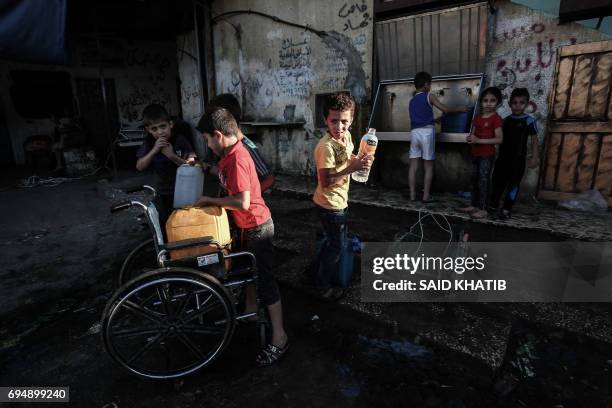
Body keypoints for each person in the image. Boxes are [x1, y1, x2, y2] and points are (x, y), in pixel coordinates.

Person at [196, 106, 288, 366]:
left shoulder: (237, 157)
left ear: (218, 135)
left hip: (258, 227)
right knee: (249, 272)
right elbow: (220, 173)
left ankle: (279, 337)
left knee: (266, 283)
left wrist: (209, 200)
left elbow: (243, 201)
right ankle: (248, 313)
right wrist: (202, 166)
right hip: (247, 228)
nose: (207, 144)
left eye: (206, 139)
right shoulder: (228, 155)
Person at [312, 92, 371, 300]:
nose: (339, 127)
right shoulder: (325, 147)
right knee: (335, 246)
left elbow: (347, 160)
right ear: (325, 120)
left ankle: (314, 272)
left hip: (339, 201)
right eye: (334, 121)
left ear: (352, 120)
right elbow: (326, 181)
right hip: (329, 205)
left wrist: (358, 161)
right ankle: (322, 286)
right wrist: (351, 168)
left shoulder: (347, 137)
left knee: (332, 241)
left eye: (344, 121)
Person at [408, 72, 466, 202]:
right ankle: (426, 196)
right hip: (427, 133)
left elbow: (419, 119)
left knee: (413, 166)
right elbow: (445, 109)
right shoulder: (429, 96)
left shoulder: (412, 101)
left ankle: (412, 195)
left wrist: (434, 120)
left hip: (415, 133)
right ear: (426, 84)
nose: (430, 86)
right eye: (430, 84)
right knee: (428, 165)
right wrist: (459, 109)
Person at [136, 104, 196, 228]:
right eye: (154, 129)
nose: (160, 132)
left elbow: (193, 167)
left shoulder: (180, 140)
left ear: (171, 124)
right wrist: (154, 150)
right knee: (165, 224)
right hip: (162, 193)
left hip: (184, 193)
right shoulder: (149, 143)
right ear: (148, 130)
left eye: (163, 126)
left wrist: (172, 156)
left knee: (184, 223)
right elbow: (139, 166)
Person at [199, 93, 275, 192]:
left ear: (226, 120)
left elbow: (269, 179)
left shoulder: (246, 148)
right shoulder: (224, 145)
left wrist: (248, 196)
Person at [490, 88, 540, 219]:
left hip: (518, 161)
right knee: (497, 182)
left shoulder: (529, 121)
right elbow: (498, 139)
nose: (517, 106)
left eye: (521, 103)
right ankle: (493, 205)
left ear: (527, 104)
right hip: (502, 159)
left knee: (513, 185)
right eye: (514, 103)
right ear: (509, 104)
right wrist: (494, 153)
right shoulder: (505, 121)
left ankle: (507, 209)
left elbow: (534, 141)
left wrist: (535, 157)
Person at [460, 87, 504, 219]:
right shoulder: (477, 118)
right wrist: (470, 139)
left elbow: (499, 139)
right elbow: (472, 135)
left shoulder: (496, 119)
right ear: (481, 102)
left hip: (487, 155)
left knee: (484, 181)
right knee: (474, 179)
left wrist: (479, 140)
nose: (489, 103)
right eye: (485, 100)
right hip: (475, 153)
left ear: (498, 102)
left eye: (492, 100)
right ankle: (474, 204)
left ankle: (483, 209)